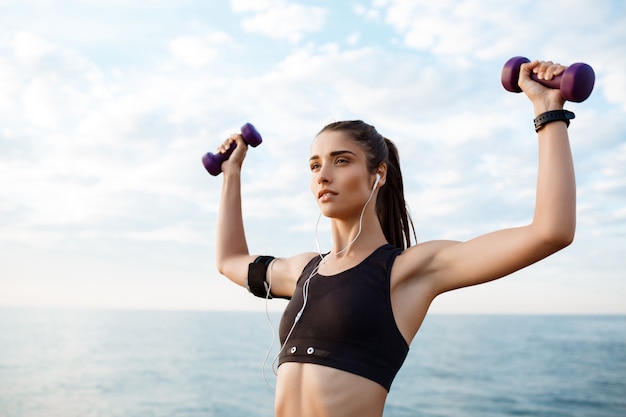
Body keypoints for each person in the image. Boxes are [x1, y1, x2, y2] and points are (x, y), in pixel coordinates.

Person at [214, 60, 576, 417]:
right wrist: (232, 172)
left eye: (341, 161)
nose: (323, 174)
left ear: (378, 174)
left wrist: (548, 111)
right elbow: (229, 261)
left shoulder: (407, 271)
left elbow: (550, 232)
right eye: (314, 165)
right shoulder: (303, 273)